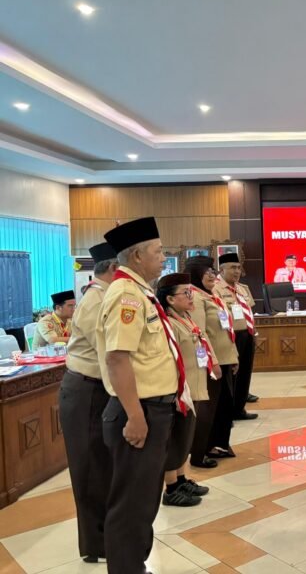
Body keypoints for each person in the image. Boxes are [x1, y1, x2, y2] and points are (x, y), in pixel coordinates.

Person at [96, 217, 185, 574]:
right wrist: (135, 416)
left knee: (144, 500)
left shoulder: (140, 291)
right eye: (158, 251)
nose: (164, 258)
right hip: (139, 410)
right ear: (136, 256)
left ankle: (135, 566)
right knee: (132, 503)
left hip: (153, 409)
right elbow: (117, 358)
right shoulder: (126, 295)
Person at [60, 242, 118, 563]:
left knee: (102, 466)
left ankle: (105, 538)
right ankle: (97, 544)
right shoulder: (96, 300)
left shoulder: (105, 296)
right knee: (90, 469)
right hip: (87, 391)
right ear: (114, 269)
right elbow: (108, 355)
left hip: (96, 389)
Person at [156, 273, 215, 506]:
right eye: (186, 293)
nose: (191, 297)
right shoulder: (168, 324)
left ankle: (181, 479)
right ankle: (171, 488)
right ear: (170, 299)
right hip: (181, 390)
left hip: (194, 386)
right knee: (175, 438)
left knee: (185, 437)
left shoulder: (185, 318)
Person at [185, 256, 239, 464]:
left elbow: (226, 328)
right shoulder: (195, 298)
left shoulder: (212, 295)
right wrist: (213, 362)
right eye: (206, 271)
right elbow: (200, 333)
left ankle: (218, 444)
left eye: (212, 271)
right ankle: (200, 452)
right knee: (208, 409)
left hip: (225, 359)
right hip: (211, 363)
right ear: (196, 274)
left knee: (223, 407)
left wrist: (233, 355)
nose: (211, 275)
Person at [214, 253, 258, 420]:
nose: (237, 271)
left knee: (245, 373)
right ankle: (228, 413)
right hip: (230, 336)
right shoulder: (215, 289)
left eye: (239, 268)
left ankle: (239, 409)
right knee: (231, 375)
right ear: (221, 269)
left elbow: (250, 312)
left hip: (247, 335)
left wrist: (254, 332)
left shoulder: (242, 288)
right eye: (233, 267)